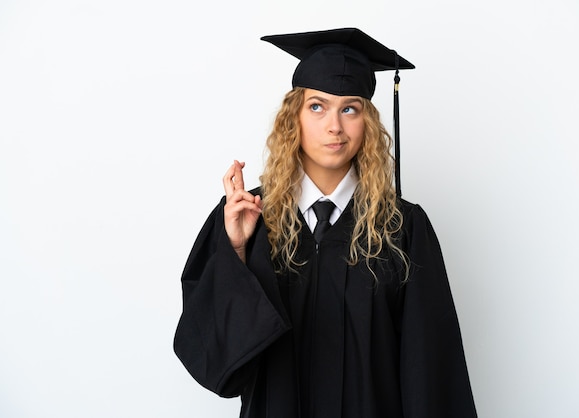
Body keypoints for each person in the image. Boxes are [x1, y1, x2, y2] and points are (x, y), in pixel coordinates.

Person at [174, 28, 477, 418]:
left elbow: (432, 372)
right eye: (317, 106)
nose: (334, 126)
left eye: (349, 108)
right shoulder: (246, 216)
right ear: (293, 119)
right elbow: (216, 365)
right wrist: (235, 251)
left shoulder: (402, 228)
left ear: (366, 122)